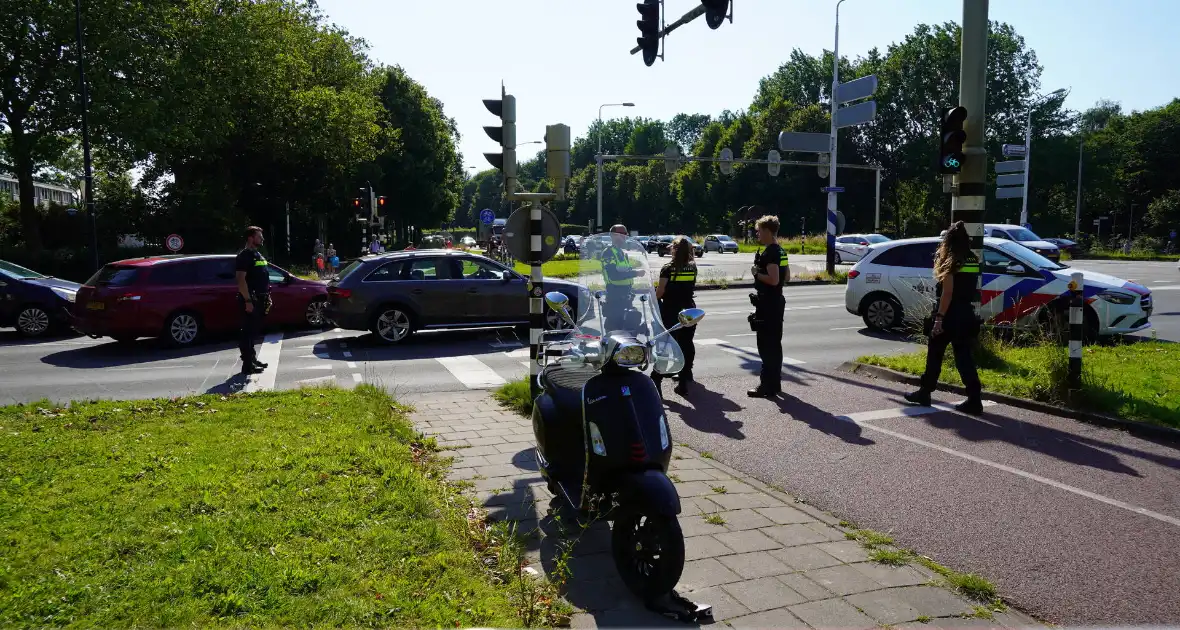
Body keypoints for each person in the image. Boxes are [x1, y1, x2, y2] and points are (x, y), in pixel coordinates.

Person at [905, 221, 983, 413]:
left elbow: (947, 293)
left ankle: (925, 392)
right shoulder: (972, 259)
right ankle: (975, 399)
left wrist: (939, 318)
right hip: (966, 314)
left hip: (949, 314)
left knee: (935, 354)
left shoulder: (951, 259)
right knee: (964, 358)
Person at [748, 215, 789, 398]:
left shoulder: (770, 252)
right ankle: (775, 383)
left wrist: (757, 273)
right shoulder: (781, 251)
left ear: (767, 231)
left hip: (768, 303)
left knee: (765, 345)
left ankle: (766, 386)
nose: (757, 234)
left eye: (759, 231)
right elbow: (786, 277)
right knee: (775, 344)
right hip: (777, 301)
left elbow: (774, 279)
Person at [654, 236, 698, 396]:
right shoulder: (692, 267)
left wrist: (653, 297)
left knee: (665, 345)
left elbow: (660, 292)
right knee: (687, 344)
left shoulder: (668, 268)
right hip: (689, 309)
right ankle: (684, 379)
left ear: (674, 249)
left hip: (671, 310)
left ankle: (656, 380)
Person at [235, 226, 271, 375]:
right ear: (251, 237)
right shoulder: (244, 256)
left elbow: (263, 277)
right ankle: (247, 365)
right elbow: (241, 280)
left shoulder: (257, 254)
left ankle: (253, 359)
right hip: (251, 299)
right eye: (259, 236)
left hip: (260, 298)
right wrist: (248, 301)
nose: (262, 238)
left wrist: (267, 296)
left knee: (253, 331)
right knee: (247, 333)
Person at [599, 224, 646, 333]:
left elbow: (625, 272)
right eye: (622, 233)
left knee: (629, 328)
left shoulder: (622, 253)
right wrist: (636, 273)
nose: (625, 236)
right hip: (614, 296)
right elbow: (613, 276)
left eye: (626, 234)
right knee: (614, 329)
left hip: (627, 296)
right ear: (613, 235)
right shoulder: (608, 253)